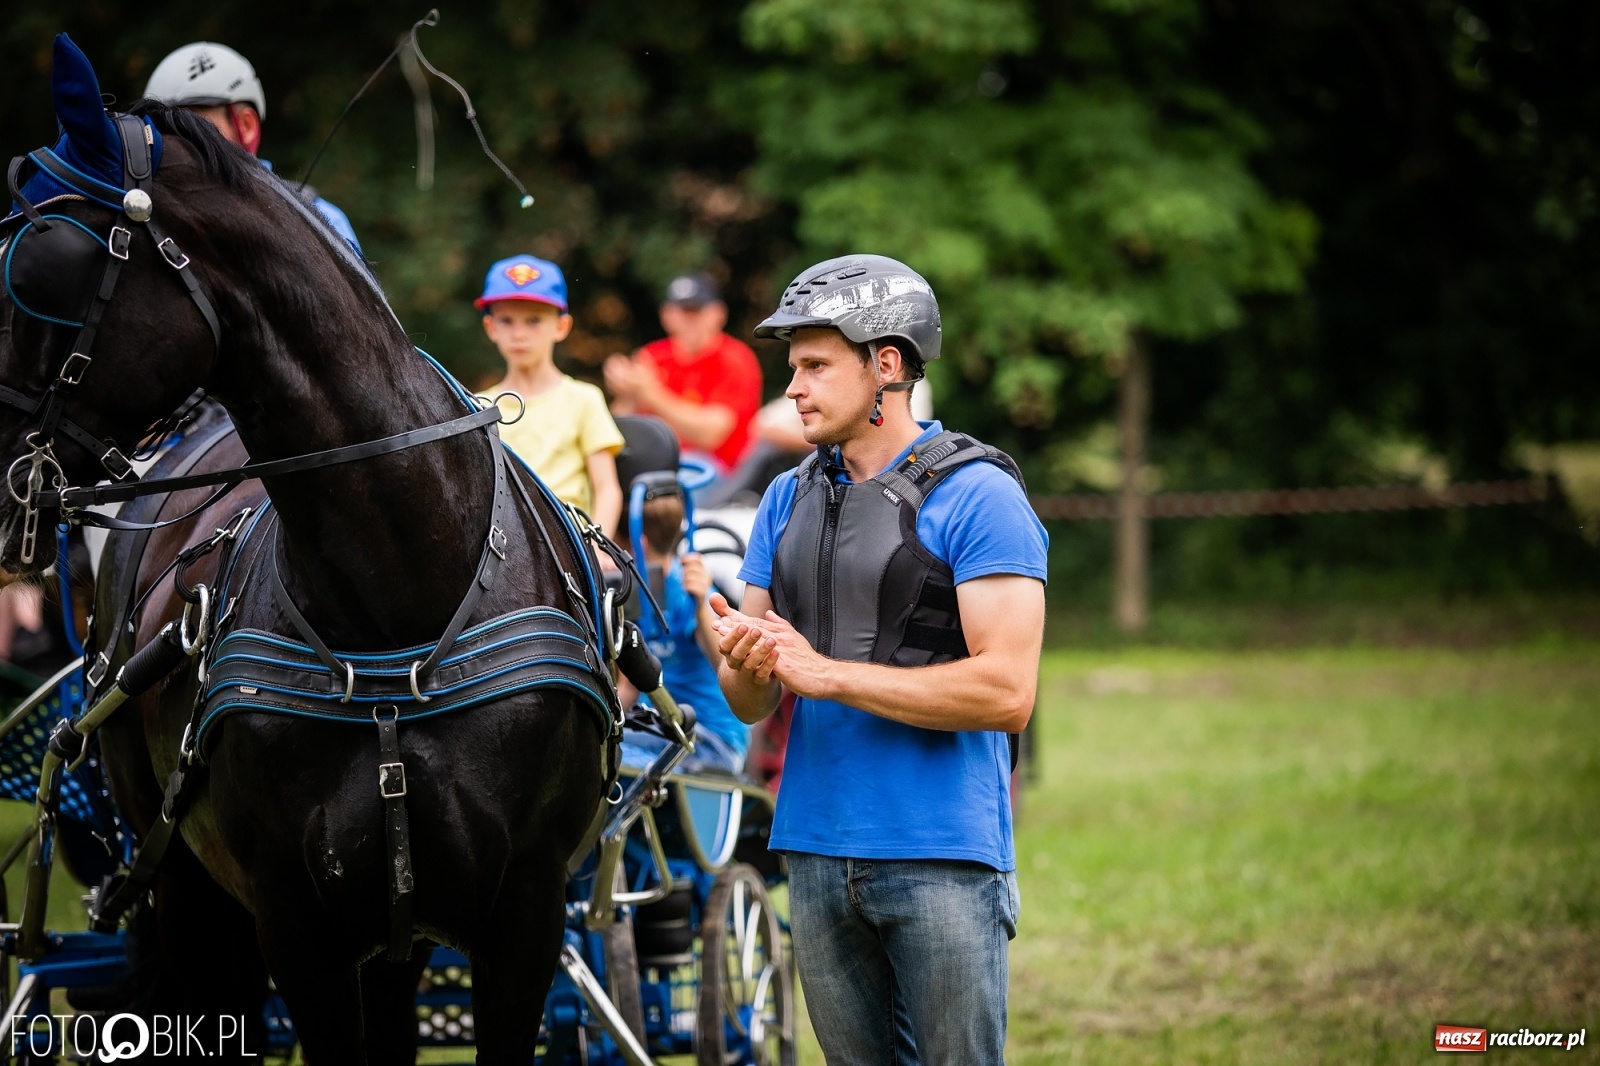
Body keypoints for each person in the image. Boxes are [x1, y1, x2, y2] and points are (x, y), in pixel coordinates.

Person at [712, 255, 1048, 1064]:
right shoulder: (785, 497)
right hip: (814, 851)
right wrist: (746, 660)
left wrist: (825, 675)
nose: (794, 387)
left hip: (941, 854)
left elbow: (1007, 692)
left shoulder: (979, 495)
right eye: (793, 367)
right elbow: (749, 702)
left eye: (817, 365)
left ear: (886, 365)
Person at [142, 42, 363, 257]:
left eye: (196, 127)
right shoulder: (141, 223)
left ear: (246, 126)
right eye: (163, 130)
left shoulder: (325, 222)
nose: (177, 145)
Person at [476, 254, 623, 536]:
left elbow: (607, 489)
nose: (519, 334)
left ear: (561, 326)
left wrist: (597, 543)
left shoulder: (584, 399)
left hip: (569, 544)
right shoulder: (478, 406)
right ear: (490, 328)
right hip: (502, 547)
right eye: (506, 321)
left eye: (533, 321)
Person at [618, 475, 749, 775]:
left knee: (613, 759)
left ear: (639, 542)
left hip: (710, 741)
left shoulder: (692, 592)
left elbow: (728, 667)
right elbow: (627, 687)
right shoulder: (636, 596)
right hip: (658, 730)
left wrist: (702, 605)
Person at [603, 274, 762, 474]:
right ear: (666, 315)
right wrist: (626, 393)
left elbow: (711, 436)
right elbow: (620, 429)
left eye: (696, 311)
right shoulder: (653, 356)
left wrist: (649, 393)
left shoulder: (736, 358)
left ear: (718, 314)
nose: (689, 319)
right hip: (658, 461)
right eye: (681, 311)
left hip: (718, 469)